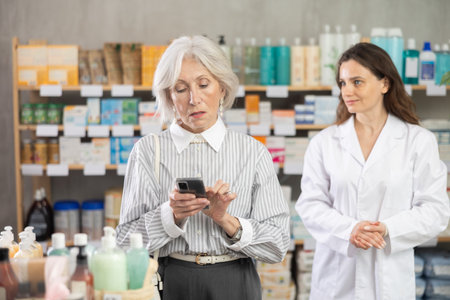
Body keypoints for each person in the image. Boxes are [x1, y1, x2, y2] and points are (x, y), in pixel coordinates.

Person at [116, 35, 290, 300]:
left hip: (236, 282)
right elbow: (124, 243)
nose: (194, 98)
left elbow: (277, 246)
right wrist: (170, 215)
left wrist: (225, 220)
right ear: (169, 97)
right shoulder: (148, 151)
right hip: (169, 282)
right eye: (181, 88)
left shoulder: (252, 152)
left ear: (222, 88)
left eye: (204, 84)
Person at [296, 42, 449, 300]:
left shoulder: (418, 140)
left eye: (357, 82)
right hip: (337, 279)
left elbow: (435, 210)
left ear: (384, 84)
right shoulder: (324, 142)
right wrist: (349, 230)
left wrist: (388, 228)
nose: (347, 91)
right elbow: (310, 205)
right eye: (343, 83)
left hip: (390, 280)